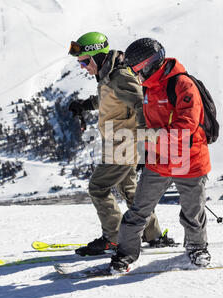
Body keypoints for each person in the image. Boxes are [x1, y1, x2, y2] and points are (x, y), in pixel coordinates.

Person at [67, 32, 175, 256]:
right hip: (118, 140)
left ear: (97, 56)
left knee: (98, 187)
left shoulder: (119, 75)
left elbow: (140, 104)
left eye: (85, 61)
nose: (82, 67)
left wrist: (148, 141)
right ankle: (152, 235)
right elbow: (112, 98)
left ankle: (113, 238)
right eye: (80, 63)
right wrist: (86, 104)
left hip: (124, 142)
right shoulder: (108, 75)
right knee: (129, 188)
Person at [110, 38, 212, 271]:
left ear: (149, 64)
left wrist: (149, 137)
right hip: (158, 159)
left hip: (189, 158)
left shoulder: (183, 85)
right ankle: (125, 254)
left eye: (136, 69)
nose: (135, 75)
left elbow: (186, 125)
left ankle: (197, 247)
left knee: (192, 210)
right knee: (139, 210)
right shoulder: (148, 87)